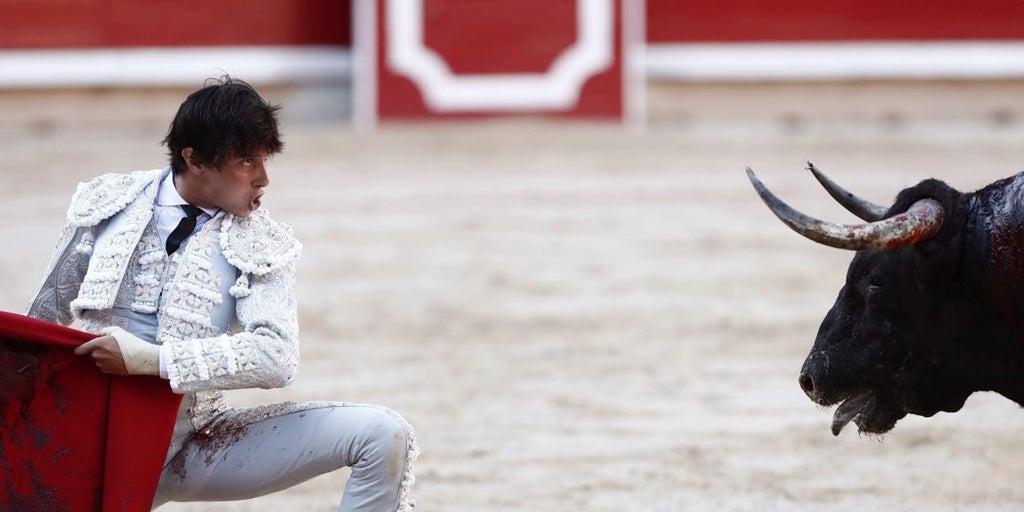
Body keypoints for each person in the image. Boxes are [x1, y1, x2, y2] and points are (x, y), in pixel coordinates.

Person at [25, 76, 417, 511]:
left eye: (265, 160)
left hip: (190, 447)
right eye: (247, 162)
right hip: (83, 441)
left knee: (383, 435)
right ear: (193, 159)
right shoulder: (107, 203)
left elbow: (277, 357)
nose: (264, 179)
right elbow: (41, 322)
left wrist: (152, 361)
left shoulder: (264, 243)